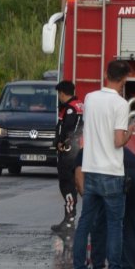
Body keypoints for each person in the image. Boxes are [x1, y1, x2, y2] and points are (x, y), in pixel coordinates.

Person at [71, 60, 132, 269]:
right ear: (124, 79)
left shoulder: (90, 98)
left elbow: (90, 130)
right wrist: (130, 134)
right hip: (112, 172)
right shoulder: (121, 104)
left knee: (85, 222)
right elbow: (118, 141)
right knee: (114, 225)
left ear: (106, 74)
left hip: (91, 169)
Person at [74, 147, 135, 269]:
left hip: (117, 175)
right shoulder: (107, 144)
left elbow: (79, 180)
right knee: (129, 225)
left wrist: (90, 202)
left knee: (102, 225)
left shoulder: (83, 154)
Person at [52, 80, 83, 234]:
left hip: (69, 153)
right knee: (71, 185)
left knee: (67, 185)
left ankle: (69, 220)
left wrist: (61, 143)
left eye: (59, 94)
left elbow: (69, 130)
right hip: (75, 152)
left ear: (63, 93)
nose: (59, 97)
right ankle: (69, 219)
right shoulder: (79, 106)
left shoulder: (70, 109)